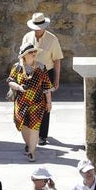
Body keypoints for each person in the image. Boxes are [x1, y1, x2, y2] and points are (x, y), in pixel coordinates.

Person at [21, 11, 64, 145]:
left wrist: (56, 79)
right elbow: (22, 57)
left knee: (45, 104)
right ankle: (31, 131)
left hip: (47, 73)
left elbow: (57, 60)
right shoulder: (27, 37)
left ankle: (42, 135)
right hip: (30, 73)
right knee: (30, 104)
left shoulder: (53, 39)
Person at [7, 41, 53, 162]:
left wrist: (49, 102)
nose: (33, 54)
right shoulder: (17, 67)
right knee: (23, 125)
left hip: (37, 103)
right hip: (21, 102)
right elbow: (10, 81)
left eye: (34, 52)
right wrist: (18, 87)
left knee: (34, 127)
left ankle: (32, 151)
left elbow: (47, 86)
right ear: (24, 55)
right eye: (30, 52)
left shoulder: (41, 67)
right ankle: (29, 145)